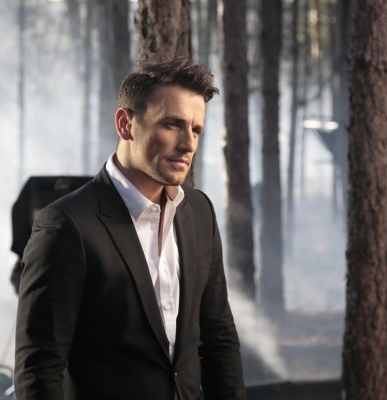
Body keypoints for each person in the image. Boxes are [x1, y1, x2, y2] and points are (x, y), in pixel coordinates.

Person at [14, 57, 247, 400]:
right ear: (126, 124)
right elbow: (39, 370)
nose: (188, 143)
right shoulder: (66, 225)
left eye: (196, 130)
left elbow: (219, 341)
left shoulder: (199, 212)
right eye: (172, 124)